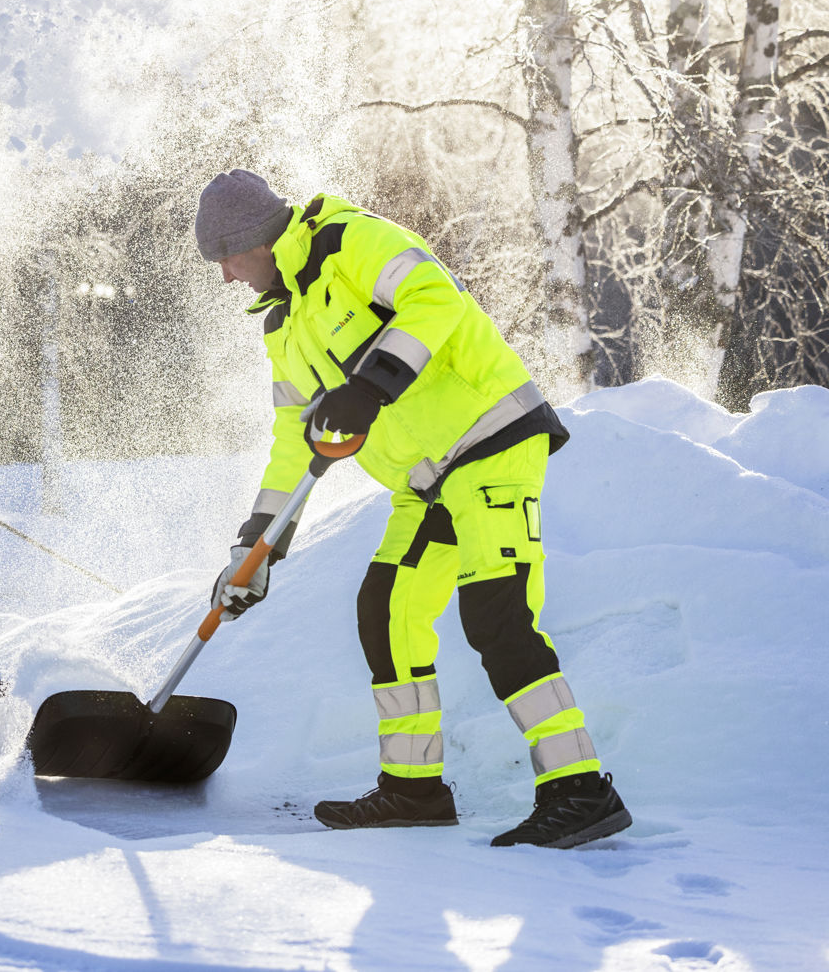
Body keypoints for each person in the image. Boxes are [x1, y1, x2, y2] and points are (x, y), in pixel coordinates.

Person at [195, 169, 631, 849]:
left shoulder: (348, 242)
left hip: (489, 441)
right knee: (388, 609)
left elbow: (434, 299)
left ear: (251, 237)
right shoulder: (285, 324)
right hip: (428, 481)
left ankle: (579, 787)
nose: (224, 276)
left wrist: (370, 386)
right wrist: (256, 548)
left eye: (223, 257)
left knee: (498, 615)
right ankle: (413, 789)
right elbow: (293, 442)